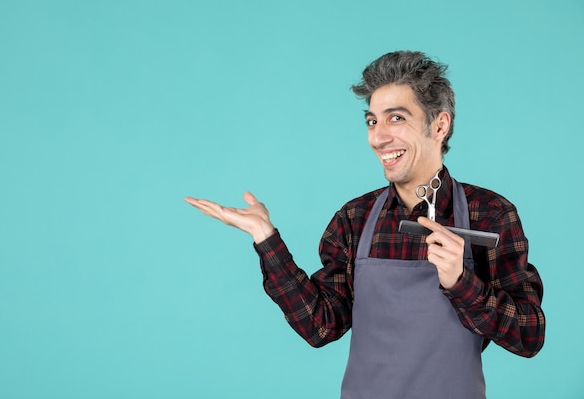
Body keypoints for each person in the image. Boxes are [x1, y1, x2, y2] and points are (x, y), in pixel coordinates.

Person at [184, 51, 545, 399]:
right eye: (372, 120)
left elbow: (529, 336)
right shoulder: (355, 219)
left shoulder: (491, 214)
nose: (378, 137)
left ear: (439, 125)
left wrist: (461, 283)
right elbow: (321, 325)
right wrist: (266, 239)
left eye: (396, 118)